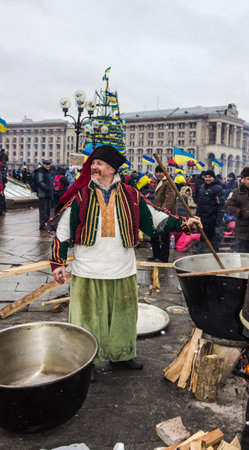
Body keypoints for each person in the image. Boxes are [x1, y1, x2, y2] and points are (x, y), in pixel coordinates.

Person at [47, 145, 201, 382]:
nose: (93, 168)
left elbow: (155, 218)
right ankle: (88, 361)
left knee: (123, 316)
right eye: (93, 164)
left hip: (122, 267)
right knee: (87, 318)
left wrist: (185, 223)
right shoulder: (81, 195)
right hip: (88, 269)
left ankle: (121, 355)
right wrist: (58, 263)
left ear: (111, 168)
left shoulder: (130, 194)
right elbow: (63, 230)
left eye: (98, 164)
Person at [147, 165, 177, 262]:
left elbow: (170, 199)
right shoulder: (159, 182)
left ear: (164, 173)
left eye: (160, 172)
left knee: (164, 236)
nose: (158, 174)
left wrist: (164, 211)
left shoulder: (168, 182)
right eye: (157, 172)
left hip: (165, 213)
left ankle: (164, 257)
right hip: (158, 211)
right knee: (154, 234)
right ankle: (156, 254)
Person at [196, 170, 224, 253]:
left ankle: (202, 254)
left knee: (210, 238)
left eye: (209, 177)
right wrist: (197, 214)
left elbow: (221, 205)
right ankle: (203, 254)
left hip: (212, 217)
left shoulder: (217, 188)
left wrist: (219, 219)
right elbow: (199, 202)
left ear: (213, 178)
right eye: (206, 177)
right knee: (205, 237)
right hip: (203, 217)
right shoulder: (202, 187)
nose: (207, 179)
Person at [224, 167, 249, 253]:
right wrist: (241, 213)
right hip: (243, 234)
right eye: (248, 179)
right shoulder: (236, 192)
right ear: (243, 179)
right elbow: (227, 206)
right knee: (244, 260)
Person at [36, 160, 53, 230]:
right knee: (43, 210)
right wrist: (47, 189)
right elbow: (40, 182)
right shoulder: (40, 171)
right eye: (46, 164)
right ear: (43, 164)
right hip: (43, 194)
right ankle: (42, 225)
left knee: (47, 210)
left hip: (48, 194)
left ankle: (47, 223)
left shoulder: (47, 172)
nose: (48, 165)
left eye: (49, 164)